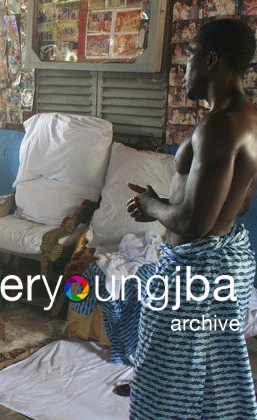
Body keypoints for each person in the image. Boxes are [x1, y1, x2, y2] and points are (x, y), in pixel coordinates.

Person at [121, 19, 257, 418]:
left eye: (189, 58)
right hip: (222, 268)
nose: (184, 71)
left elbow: (195, 224)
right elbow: (239, 205)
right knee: (204, 377)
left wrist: (152, 207)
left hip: (193, 277)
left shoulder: (219, 127)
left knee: (165, 387)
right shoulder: (250, 120)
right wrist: (166, 202)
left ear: (211, 60)